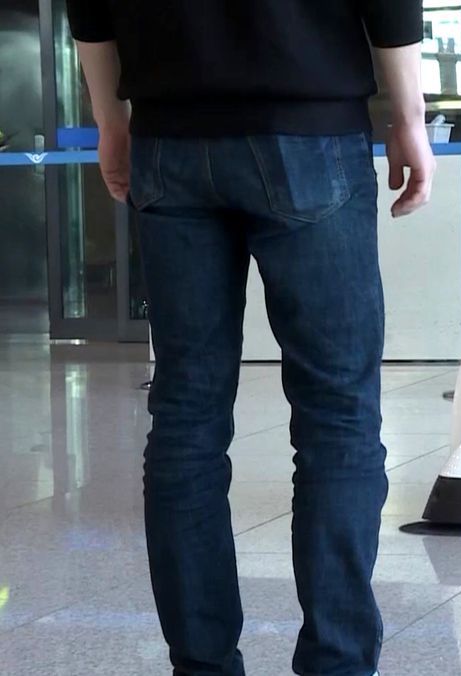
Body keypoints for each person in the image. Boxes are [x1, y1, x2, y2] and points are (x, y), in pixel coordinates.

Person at [66, 2, 434, 674]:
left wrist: (110, 121)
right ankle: (337, 662)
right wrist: (408, 117)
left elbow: (90, 9)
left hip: (168, 135)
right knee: (337, 413)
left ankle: (201, 664)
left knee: (186, 418)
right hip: (309, 126)